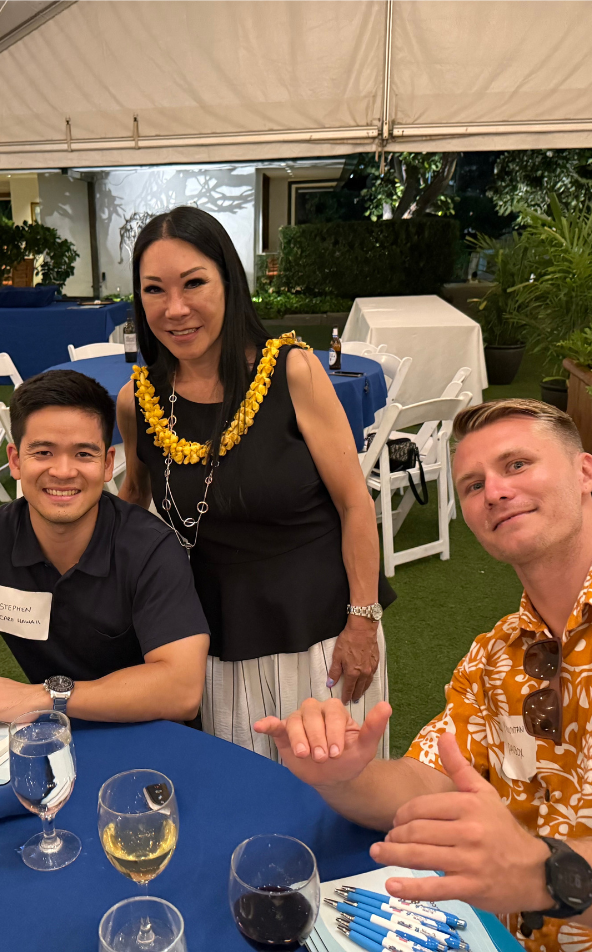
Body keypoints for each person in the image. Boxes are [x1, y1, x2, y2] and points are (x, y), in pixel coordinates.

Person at [255, 398, 592, 950]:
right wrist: (344, 775)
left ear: (585, 472)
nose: (495, 491)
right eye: (472, 486)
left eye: (517, 465)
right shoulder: (494, 654)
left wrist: (544, 872)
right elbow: (435, 781)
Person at [116, 206, 394, 760]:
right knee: (240, 798)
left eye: (194, 282)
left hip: (319, 637)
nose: (175, 309)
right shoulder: (138, 401)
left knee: (337, 799)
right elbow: (132, 504)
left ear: (229, 282)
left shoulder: (292, 372)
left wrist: (362, 623)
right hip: (211, 641)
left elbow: (354, 503)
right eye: (154, 290)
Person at [0, 370, 210, 773]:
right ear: (16, 461)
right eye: (43, 452)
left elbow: (181, 688)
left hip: (153, 744)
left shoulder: (151, 547)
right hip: (49, 746)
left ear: (108, 464)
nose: (63, 471)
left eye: (84, 454)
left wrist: (46, 696)